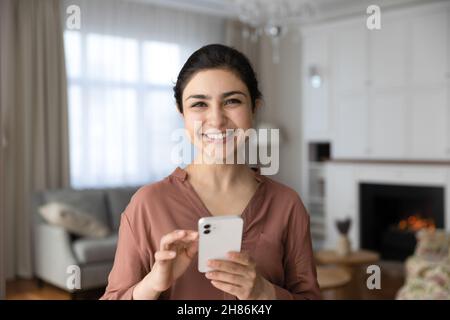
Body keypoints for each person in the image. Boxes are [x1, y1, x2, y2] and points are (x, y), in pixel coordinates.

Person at [100, 44, 321, 300]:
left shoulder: (287, 204)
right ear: (181, 113)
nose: (216, 120)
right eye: (199, 104)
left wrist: (265, 292)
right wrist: (152, 284)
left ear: (254, 109)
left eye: (232, 101)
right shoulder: (147, 204)